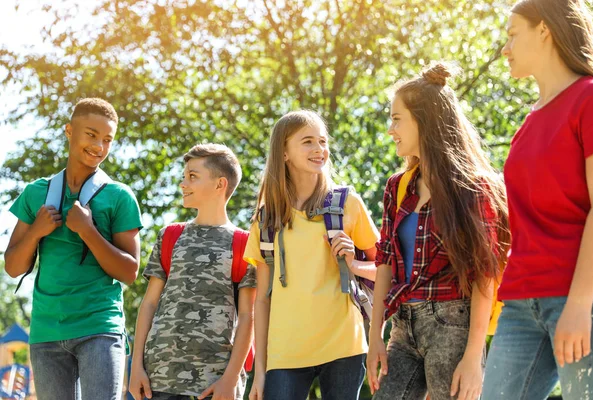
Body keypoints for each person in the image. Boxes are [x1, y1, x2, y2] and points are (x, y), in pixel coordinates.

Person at [367, 63, 510, 400]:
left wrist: (474, 355)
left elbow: (485, 274)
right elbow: (384, 261)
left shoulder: (474, 188)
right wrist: (375, 336)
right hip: (403, 326)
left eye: (397, 118)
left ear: (424, 120)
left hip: (453, 326)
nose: (391, 129)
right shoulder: (397, 188)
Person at [482, 1, 593, 399]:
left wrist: (581, 304)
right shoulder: (528, 123)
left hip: (583, 297)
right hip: (520, 303)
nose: (505, 47)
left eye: (513, 34)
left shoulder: (592, 99)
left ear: (545, 30)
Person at [4, 98, 143, 400]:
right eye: (91, 135)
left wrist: (88, 231)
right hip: (46, 330)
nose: (99, 146)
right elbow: (13, 266)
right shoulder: (36, 193)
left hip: (99, 327)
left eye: (107, 139)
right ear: (69, 131)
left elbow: (130, 271)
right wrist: (36, 232)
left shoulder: (119, 196)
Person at [245, 110, 380, 400]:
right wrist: (260, 371)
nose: (319, 149)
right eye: (308, 142)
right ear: (284, 153)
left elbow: (387, 269)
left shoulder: (347, 203)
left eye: (322, 141)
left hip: (344, 345)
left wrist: (354, 264)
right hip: (285, 353)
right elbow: (263, 299)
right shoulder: (266, 219)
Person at [129, 143, 256, 400]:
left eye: (192, 177)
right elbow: (150, 304)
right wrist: (135, 368)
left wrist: (230, 380)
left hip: (214, 383)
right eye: (184, 176)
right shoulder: (170, 236)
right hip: (158, 380)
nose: (183, 184)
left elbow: (247, 316)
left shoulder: (244, 243)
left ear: (220, 184)